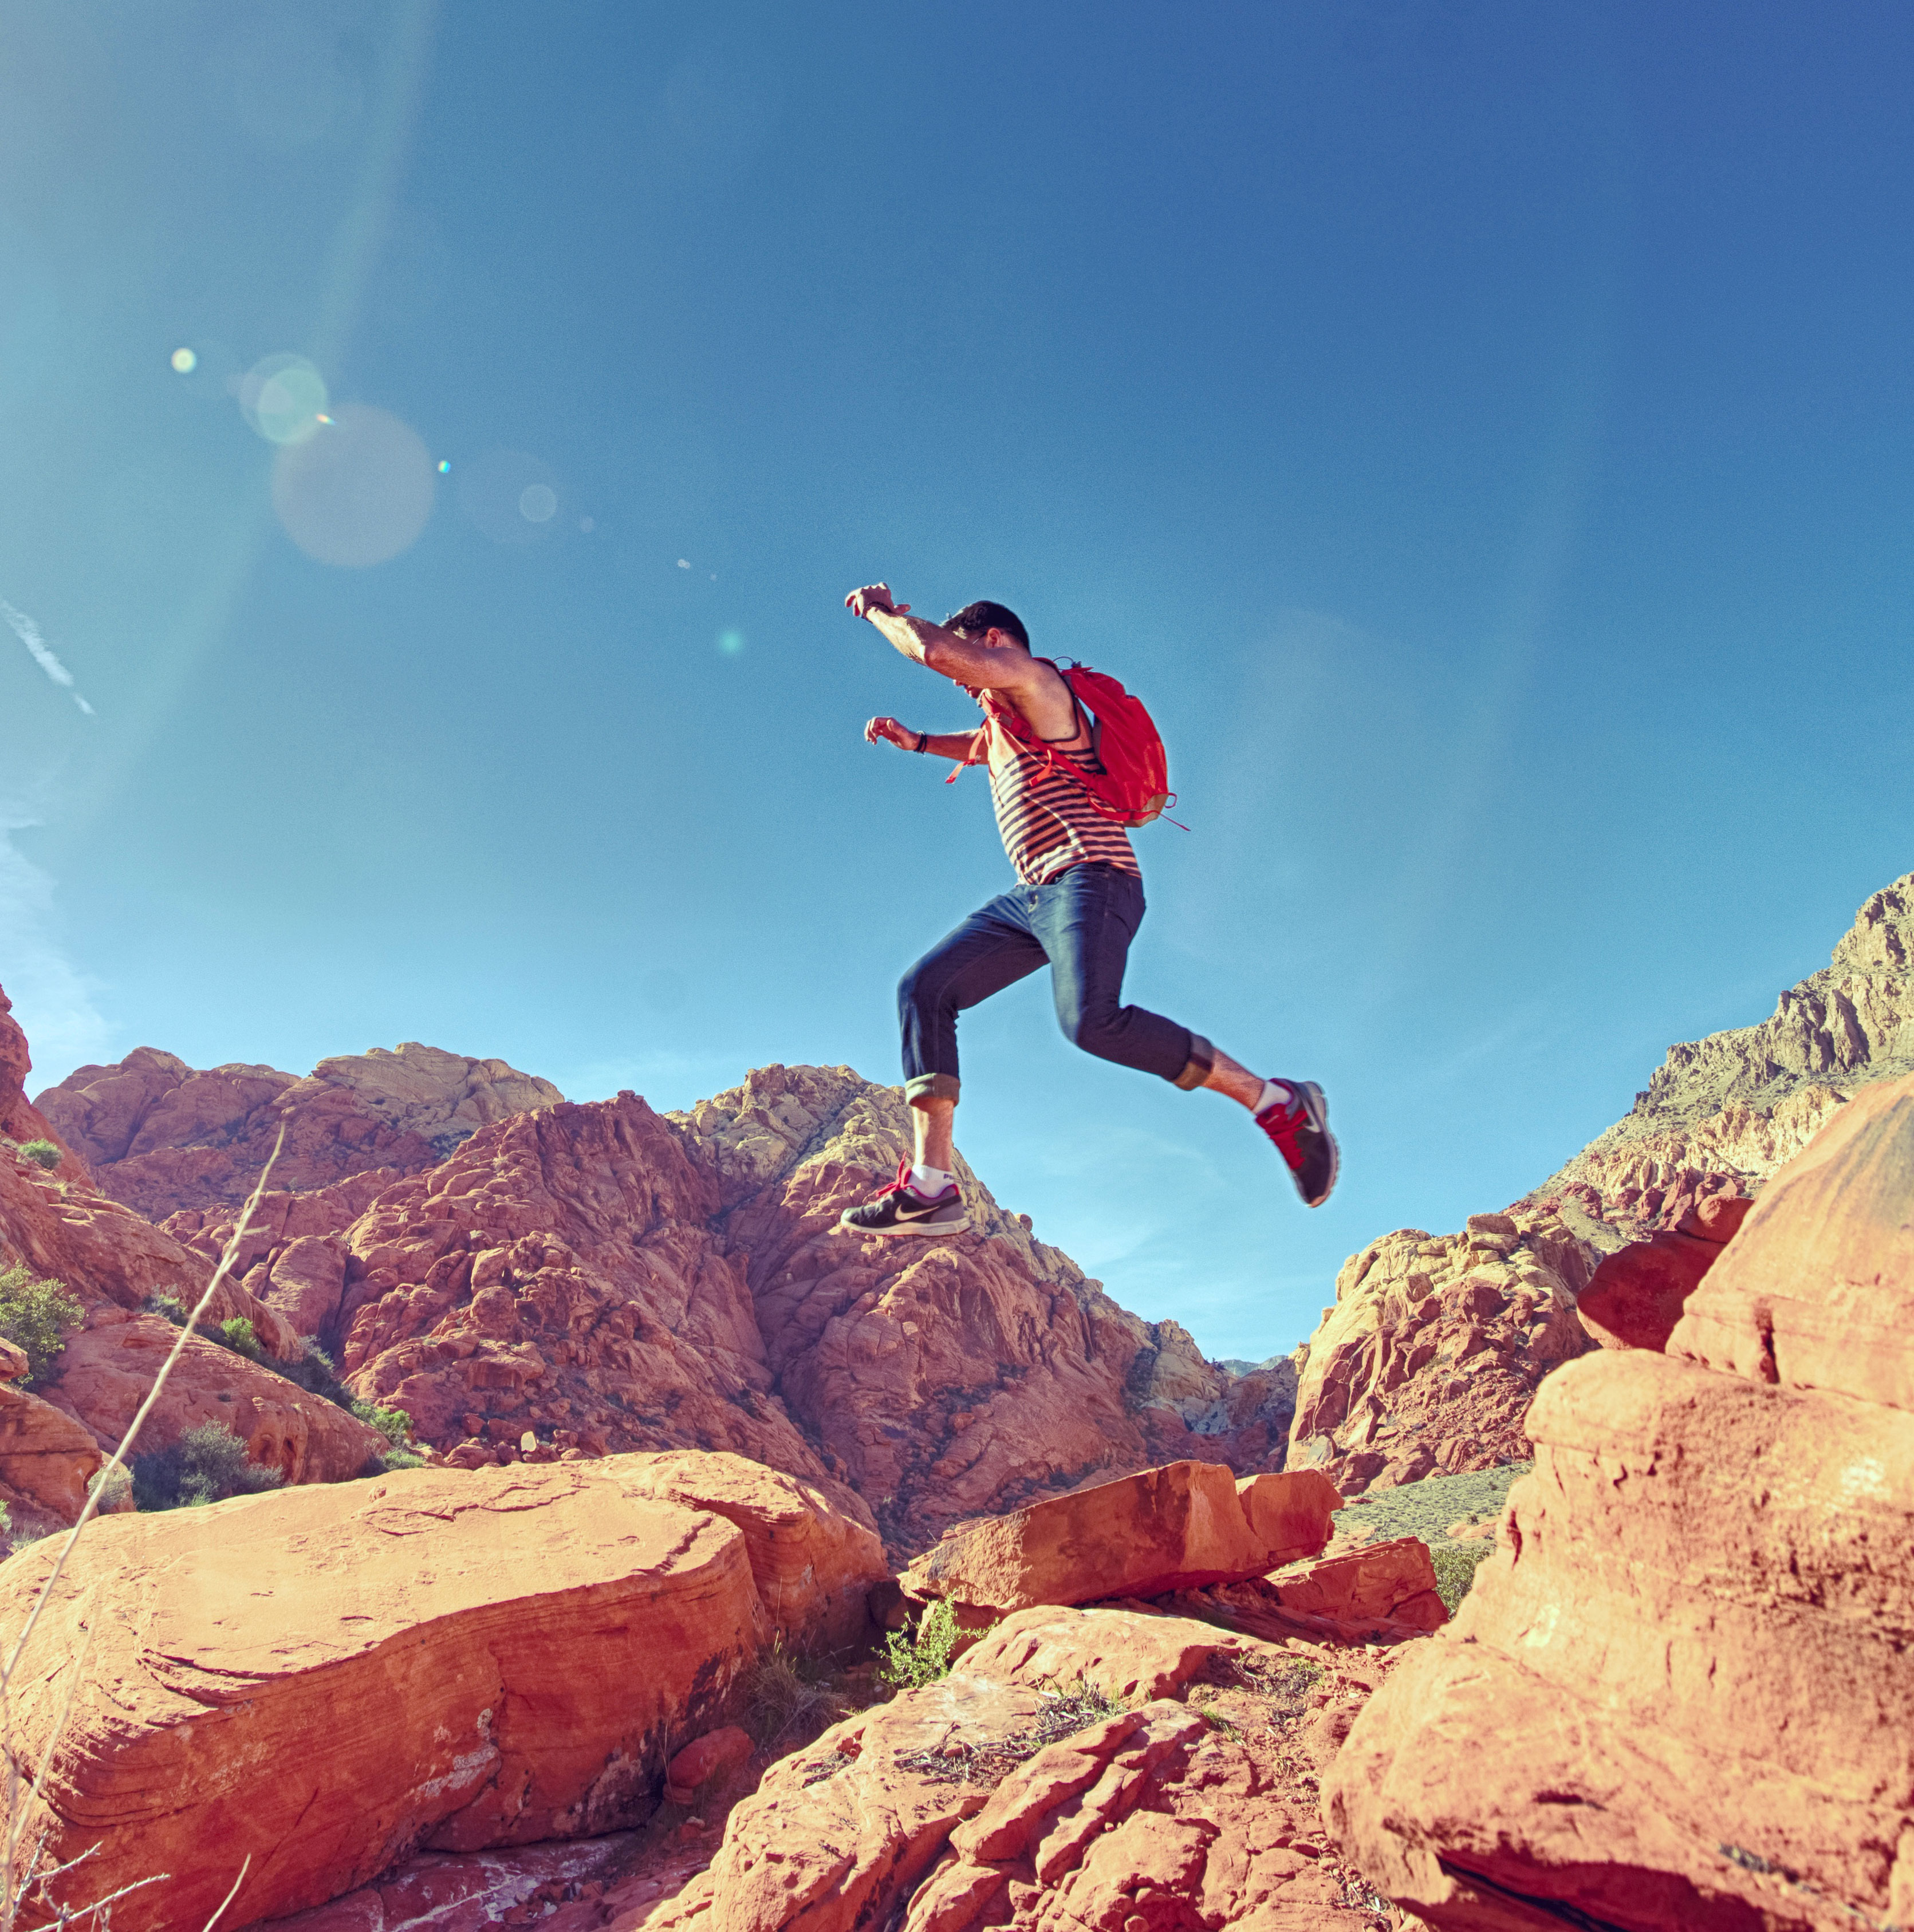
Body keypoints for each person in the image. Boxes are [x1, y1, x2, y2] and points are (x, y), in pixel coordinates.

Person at [836, 582, 1337, 1238]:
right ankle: (932, 1188)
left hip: (1093, 880)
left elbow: (932, 651)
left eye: (972, 659)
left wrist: (882, 613)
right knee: (924, 989)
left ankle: (1279, 1103)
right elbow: (982, 745)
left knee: (1091, 1022)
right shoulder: (1006, 720)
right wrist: (920, 742)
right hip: (1032, 897)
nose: (965, 683)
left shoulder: (1036, 680)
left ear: (993, 642)